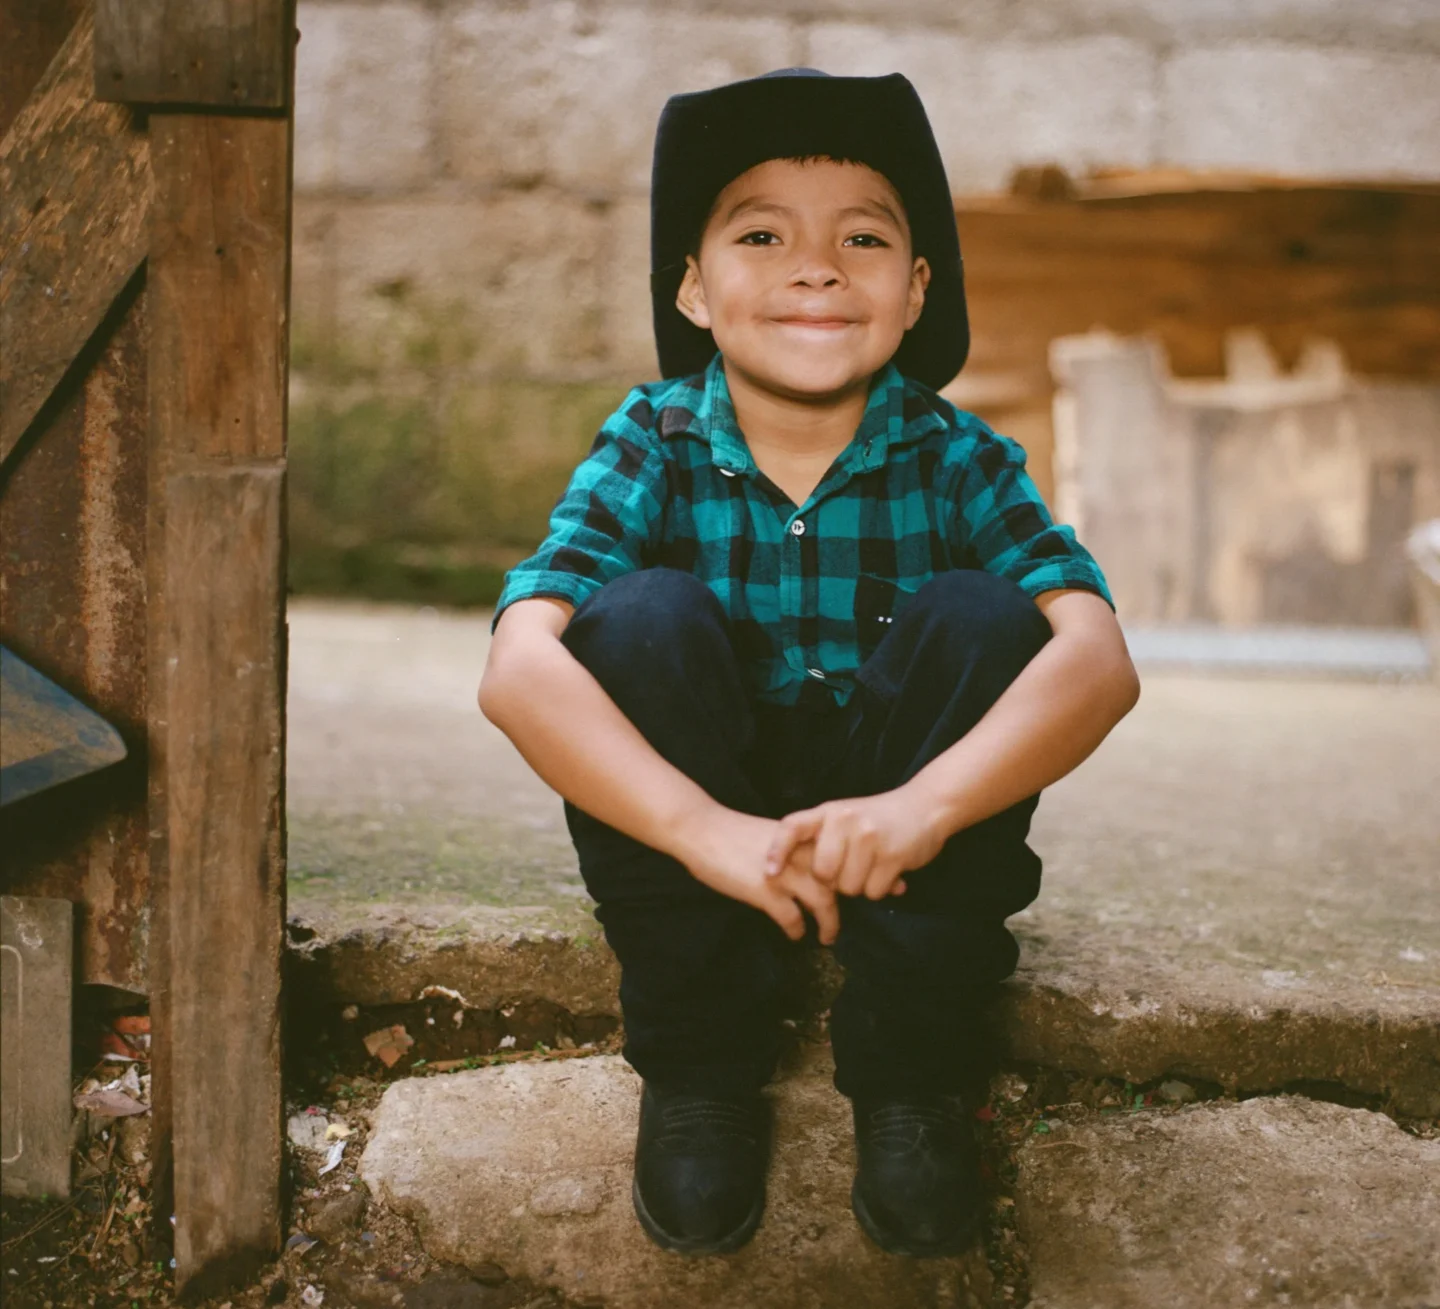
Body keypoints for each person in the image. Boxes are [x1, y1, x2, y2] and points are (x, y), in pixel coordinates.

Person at [479, 68, 1139, 1259]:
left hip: (900, 821)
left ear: (915, 285)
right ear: (693, 285)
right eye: (763, 233)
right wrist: (695, 827)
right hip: (707, 806)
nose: (818, 266)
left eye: (865, 238)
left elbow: (1099, 661)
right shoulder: (655, 438)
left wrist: (924, 808)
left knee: (992, 620)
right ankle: (700, 1066)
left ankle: (913, 1075)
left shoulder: (959, 455)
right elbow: (517, 670)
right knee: (628, 622)